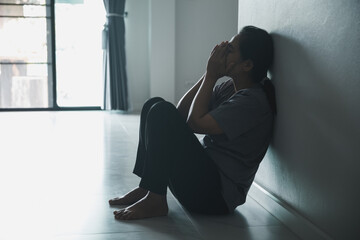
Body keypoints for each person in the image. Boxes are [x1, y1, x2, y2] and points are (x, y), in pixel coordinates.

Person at [109, 25, 276, 220]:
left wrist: (212, 74)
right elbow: (181, 113)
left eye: (229, 50)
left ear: (247, 65)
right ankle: (146, 187)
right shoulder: (230, 87)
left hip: (215, 197)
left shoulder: (252, 101)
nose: (221, 52)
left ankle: (156, 201)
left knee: (162, 111)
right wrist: (208, 75)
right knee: (153, 105)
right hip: (203, 179)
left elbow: (195, 124)